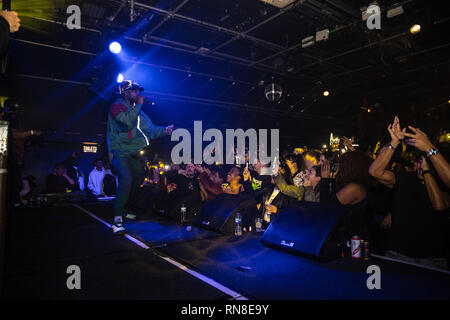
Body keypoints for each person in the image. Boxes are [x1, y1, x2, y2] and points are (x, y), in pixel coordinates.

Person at [369, 116, 449, 269]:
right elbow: (375, 172)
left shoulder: (441, 184)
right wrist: (394, 142)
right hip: (397, 254)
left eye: (423, 159)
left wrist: (426, 171)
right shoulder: (405, 179)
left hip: (432, 260)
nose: (419, 163)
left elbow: (439, 205)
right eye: (418, 160)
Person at [107, 80, 173, 234]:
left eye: (137, 91)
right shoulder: (117, 106)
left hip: (134, 153)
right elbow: (127, 123)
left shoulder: (139, 112)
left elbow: (149, 131)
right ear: (125, 92)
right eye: (133, 91)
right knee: (127, 178)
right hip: (120, 151)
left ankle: (125, 209)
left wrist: (165, 130)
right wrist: (138, 106)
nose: (137, 94)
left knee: (137, 180)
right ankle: (117, 220)